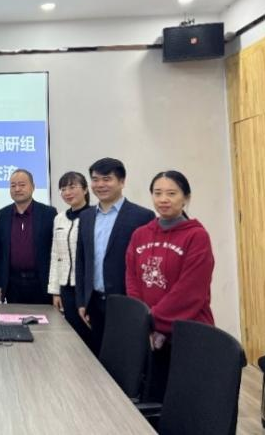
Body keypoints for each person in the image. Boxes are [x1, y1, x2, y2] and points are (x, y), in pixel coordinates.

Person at [126, 171, 215, 398]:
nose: (163, 199)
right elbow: (132, 279)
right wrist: (142, 321)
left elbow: (190, 291)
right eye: (157, 193)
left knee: (184, 401)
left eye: (171, 193)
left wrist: (152, 321)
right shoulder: (140, 234)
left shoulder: (197, 236)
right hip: (149, 333)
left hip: (187, 332)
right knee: (152, 398)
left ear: (186, 198)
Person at [75, 158, 155, 354]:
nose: (100, 185)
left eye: (107, 179)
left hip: (127, 302)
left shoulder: (142, 216)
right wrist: (82, 301)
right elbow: (81, 261)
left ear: (122, 181)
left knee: (126, 358)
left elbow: (146, 265)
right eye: (95, 179)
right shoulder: (86, 216)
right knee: (97, 357)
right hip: (94, 302)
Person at [0, 169, 57, 304]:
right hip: (13, 284)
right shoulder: (2, 215)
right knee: (15, 317)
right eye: (13, 185)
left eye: (22, 185)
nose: (17, 189)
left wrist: (56, 287)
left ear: (33, 187)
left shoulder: (48, 214)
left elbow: (55, 250)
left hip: (41, 283)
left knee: (43, 318)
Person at [47, 171, 92, 346]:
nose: (67, 192)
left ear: (85, 189)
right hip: (66, 287)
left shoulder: (94, 216)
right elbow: (55, 255)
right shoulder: (59, 218)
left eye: (72, 187)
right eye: (63, 189)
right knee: (71, 336)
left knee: (89, 335)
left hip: (86, 288)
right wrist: (55, 291)